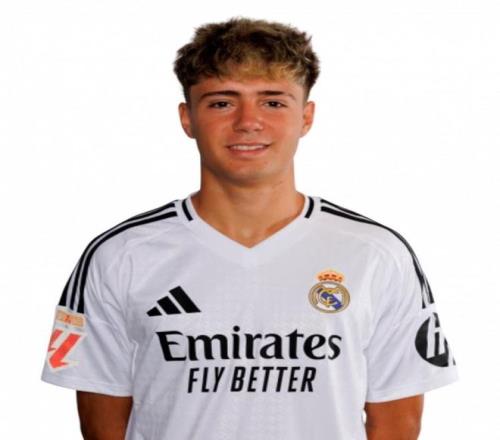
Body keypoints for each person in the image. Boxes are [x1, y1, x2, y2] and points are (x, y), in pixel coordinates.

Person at [41, 16, 458, 440]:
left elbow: (397, 423)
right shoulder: (120, 255)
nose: (248, 121)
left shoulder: (375, 254)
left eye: (273, 102)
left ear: (306, 117)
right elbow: (102, 423)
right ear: (187, 118)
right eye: (222, 103)